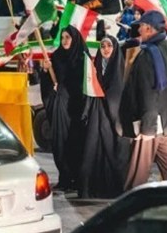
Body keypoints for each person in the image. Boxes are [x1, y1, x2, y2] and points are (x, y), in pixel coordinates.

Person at [119, 10, 167, 190]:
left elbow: (148, 93)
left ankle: (131, 207)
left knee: (137, 173)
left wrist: (147, 128)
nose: (139, 30)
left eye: (141, 26)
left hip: (150, 124)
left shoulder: (147, 54)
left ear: (149, 29)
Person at [77, 35, 129, 198]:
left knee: (112, 151)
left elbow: (118, 92)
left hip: (114, 116)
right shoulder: (96, 66)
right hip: (97, 113)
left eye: (109, 46)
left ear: (115, 48)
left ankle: (113, 189)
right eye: (103, 46)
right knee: (92, 149)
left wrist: (108, 101)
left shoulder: (120, 67)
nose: (106, 49)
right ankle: (90, 189)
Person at [40, 25, 87, 192]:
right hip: (60, 108)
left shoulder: (82, 58)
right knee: (60, 143)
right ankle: (65, 178)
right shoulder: (57, 56)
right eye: (63, 37)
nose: (65, 41)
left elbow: (85, 84)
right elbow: (48, 83)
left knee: (76, 144)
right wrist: (45, 71)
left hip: (76, 109)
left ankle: (78, 179)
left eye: (68, 37)